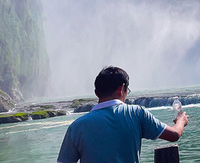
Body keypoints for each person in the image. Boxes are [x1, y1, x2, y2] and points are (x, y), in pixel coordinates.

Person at [57, 66, 189, 163]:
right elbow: (174, 135)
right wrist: (181, 121)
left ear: (96, 92)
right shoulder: (137, 113)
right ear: (122, 89)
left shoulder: (77, 127)